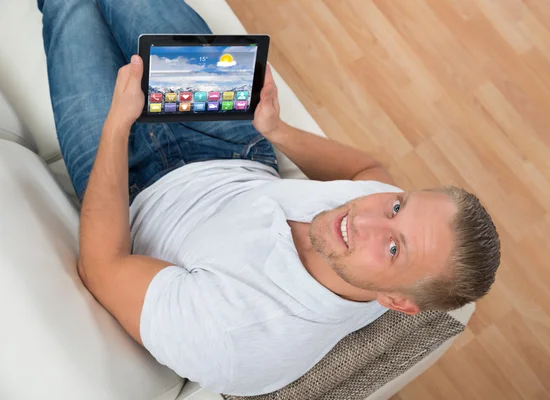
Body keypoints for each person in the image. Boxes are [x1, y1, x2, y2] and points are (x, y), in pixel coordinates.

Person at [38, 0, 501, 396]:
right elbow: (368, 173)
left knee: (67, 7)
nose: (368, 219)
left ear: (396, 303)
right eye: (400, 207)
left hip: (132, 178)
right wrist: (275, 130)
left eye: (394, 248)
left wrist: (118, 125)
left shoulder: (235, 339)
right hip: (233, 145)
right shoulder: (378, 209)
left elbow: (102, 267)